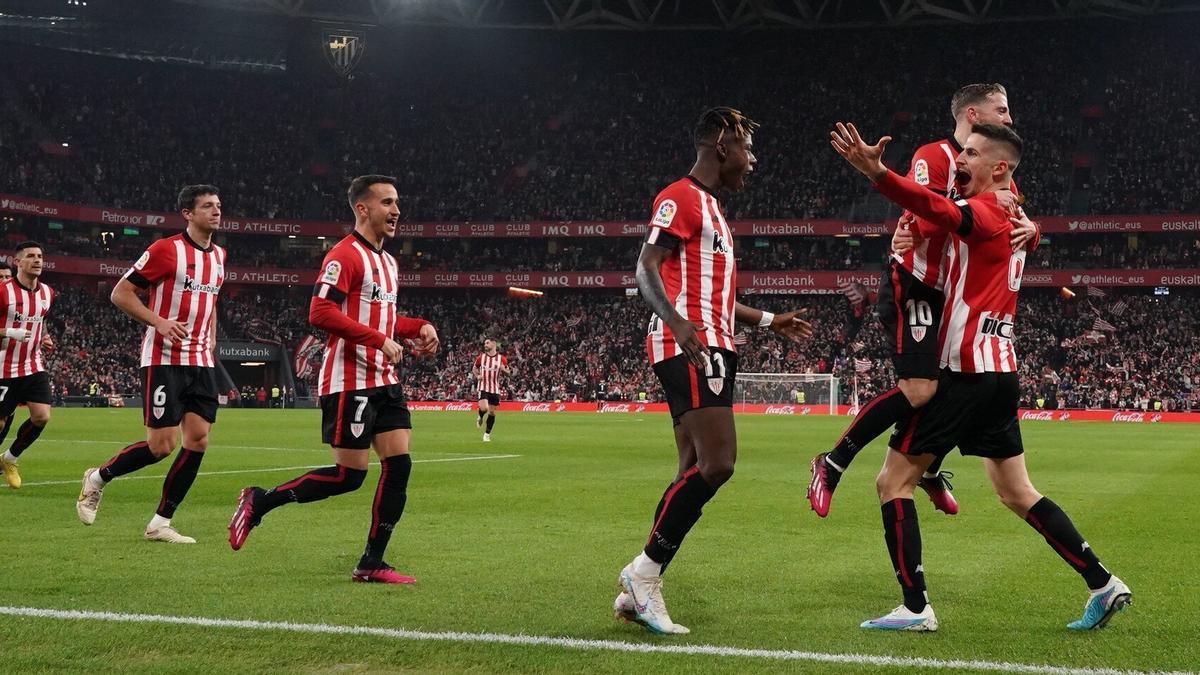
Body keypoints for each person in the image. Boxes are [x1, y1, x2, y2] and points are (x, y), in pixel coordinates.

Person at [830, 120, 1130, 632]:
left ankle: (916, 607)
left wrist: (878, 174)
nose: (958, 160)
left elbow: (941, 210)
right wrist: (1033, 229)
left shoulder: (989, 211)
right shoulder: (1014, 214)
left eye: (969, 153)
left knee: (892, 482)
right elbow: (948, 215)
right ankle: (1103, 583)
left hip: (965, 372)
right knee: (1016, 491)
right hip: (1000, 372)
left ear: (998, 168)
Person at [614, 108, 813, 635]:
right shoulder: (680, 196)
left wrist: (770, 319)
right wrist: (677, 321)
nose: (753, 160)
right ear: (723, 145)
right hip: (694, 346)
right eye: (748, 148)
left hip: (712, 340)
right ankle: (644, 573)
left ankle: (640, 587)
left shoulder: (714, 210)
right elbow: (645, 266)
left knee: (690, 467)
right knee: (719, 463)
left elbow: (720, 298)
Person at [809, 83, 1023, 518]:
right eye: (1001, 109)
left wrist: (1033, 229)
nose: (1009, 118)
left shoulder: (999, 169)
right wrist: (915, 224)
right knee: (921, 389)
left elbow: (1010, 219)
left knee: (953, 386)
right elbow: (926, 211)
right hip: (916, 283)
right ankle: (832, 463)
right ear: (972, 116)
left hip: (954, 293)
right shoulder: (934, 156)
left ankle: (927, 468)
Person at [228, 175, 440, 585]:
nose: (396, 211)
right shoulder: (345, 255)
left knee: (399, 466)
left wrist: (418, 327)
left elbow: (383, 318)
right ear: (362, 209)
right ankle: (260, 501)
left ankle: (371, 562)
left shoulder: (389, 262)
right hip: (349, 381)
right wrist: (380, 339)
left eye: (397, 203)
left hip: (384, 379)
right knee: (349, 476)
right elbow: (320, 313)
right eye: (387, 203)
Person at [76, 185, 226, 544]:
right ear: (187, 213)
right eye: (207, 206)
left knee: (199, 440)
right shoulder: (166, 249)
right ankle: (97, 478)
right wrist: (158, 321)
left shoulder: (220, 255)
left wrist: (212, 337)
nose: (216, 211)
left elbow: (212, 300)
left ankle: (160, 522)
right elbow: (121, 292)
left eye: (218, 205)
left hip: (200, 360)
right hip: (164, 359)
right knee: (161, 446)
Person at [0, 243, 56, 489]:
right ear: (17, 262)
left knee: (42, 416)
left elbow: (39, 320)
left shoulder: (48, 293)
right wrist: (8, 331)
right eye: (30, 256)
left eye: (40, 256)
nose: (37, 260)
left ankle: (9, 459)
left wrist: (43, 337)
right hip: (2, 367)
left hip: (32, 366)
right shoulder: (3, 292)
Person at [472, 337, 510, 442]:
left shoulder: (502, 359)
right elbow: (474, 368)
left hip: (494, 388)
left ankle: (487, 434)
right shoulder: (481, 358)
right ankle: (480, 416)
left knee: (492, 413)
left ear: (494, 344)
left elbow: (509, 373)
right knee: (484, 408)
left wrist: (504, 370)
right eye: (484, 343)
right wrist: (477, 376)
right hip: (483, 386)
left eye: (487, 343)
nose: (485, 345)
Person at [0, 262, 17, 455]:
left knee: (6, 416)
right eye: (0, 278)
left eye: (7, 277)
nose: (5, 282)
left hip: (9, 368)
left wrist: (44, 337)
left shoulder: (14, 306)